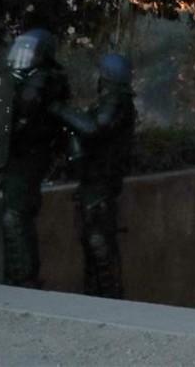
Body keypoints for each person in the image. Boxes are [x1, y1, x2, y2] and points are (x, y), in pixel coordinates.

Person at [0, 29, 71, 288]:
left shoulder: (48, 80)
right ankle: (16, 276)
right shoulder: (16, 79)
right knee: (13, 216)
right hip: (16, 156)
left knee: (16, 216)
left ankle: (25, 279)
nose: (23, 54)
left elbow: (37, 116)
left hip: (31, 156)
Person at [55, 53, 136, 298]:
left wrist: (60, 110)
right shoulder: (112, 101)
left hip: (101, 181)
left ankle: (109, 300)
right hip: (95, 180)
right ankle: (98, 297)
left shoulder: (116, 102)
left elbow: (94, 128)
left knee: (99, 244)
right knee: (93, 243)